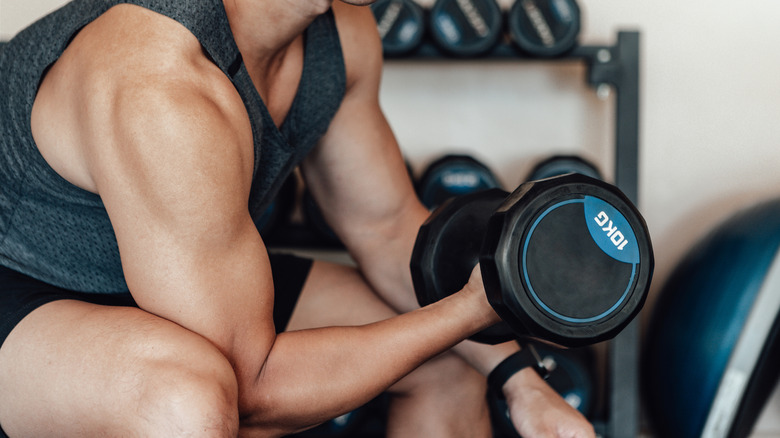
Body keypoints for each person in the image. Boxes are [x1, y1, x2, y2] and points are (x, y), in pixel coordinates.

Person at [0, 0, 596, 436]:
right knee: (187, 403)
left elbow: (386, 227)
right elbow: (256, 387)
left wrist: (521, 384)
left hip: (197, 277)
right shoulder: (161, 83)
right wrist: (470, 308)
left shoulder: (343, 31)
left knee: (448, 359)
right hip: (28, 288)